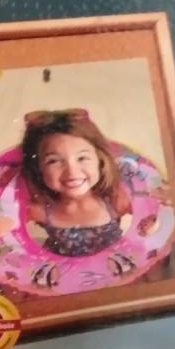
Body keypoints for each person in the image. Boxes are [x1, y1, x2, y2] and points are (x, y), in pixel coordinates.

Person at [20, 109, 130, 258]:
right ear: (38, 168)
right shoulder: (40, 210)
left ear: (100, 160)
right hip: (62, 271)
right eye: (53, 161)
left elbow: (149, 211)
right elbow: (9, 225)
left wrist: (152, 225)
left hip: (113, 268)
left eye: (82, 158)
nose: (72, 172)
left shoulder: (115, 200)